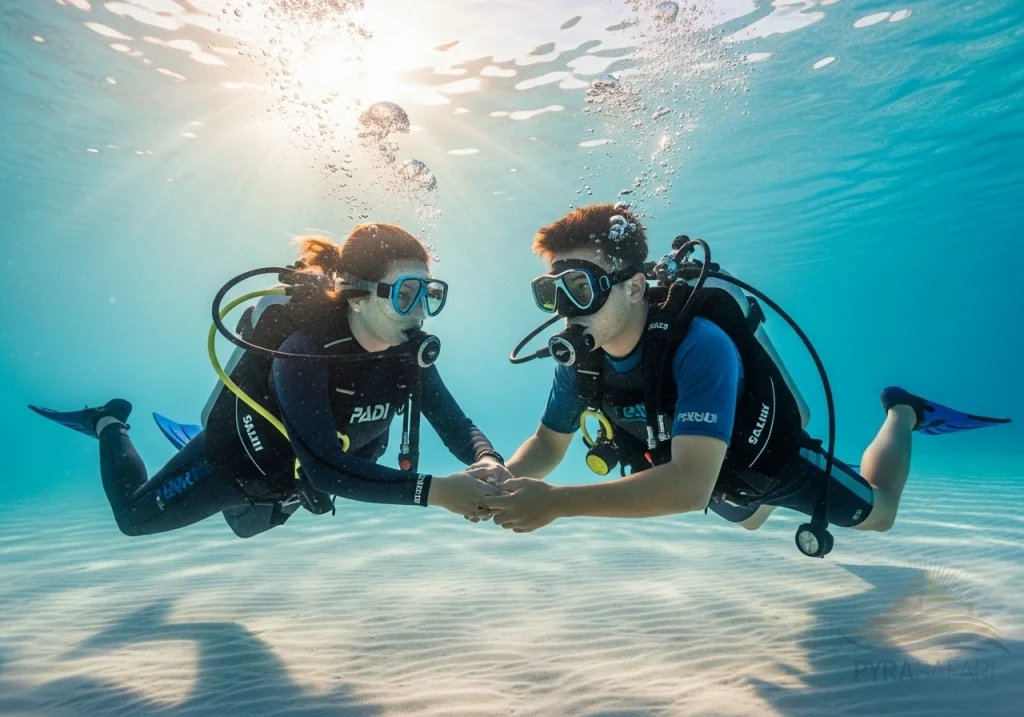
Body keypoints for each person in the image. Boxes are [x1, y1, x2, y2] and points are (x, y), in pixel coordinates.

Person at [482, 204, 1010, 552]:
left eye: (581, 287)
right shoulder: (582, 356)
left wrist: (555, 502)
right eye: (552, 292)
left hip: (768, 458)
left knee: (881, 513)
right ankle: (765, 487)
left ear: (636, 287)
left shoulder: (699, 346)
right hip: (705, 464)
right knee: (752, 518)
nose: (565, 311)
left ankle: (903, 411)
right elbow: (548, 443)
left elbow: (689, 489)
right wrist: (500, 479)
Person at [30, 223, 504, 538]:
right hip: (239, 463)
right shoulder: (302, 349)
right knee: (134, 520)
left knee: (245, 529)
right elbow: (323, 466)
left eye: (430, 294)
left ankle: (191, 448)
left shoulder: (408, 352)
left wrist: (489, 460)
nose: (421, 311)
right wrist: (436, 492)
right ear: (357, 296)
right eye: (406, 295)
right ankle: (109, 421)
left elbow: (453, 421)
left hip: (296, 477)